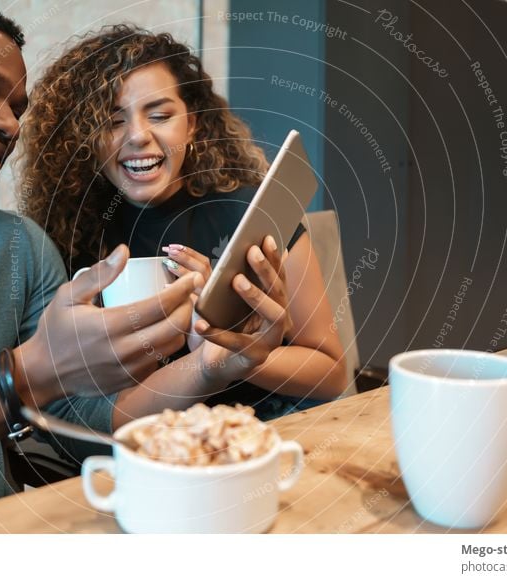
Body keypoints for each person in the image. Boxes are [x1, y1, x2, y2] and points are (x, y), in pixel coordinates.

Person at [0, 2, 287, 533]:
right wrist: (23, 376)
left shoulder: (16, 250)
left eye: (18, 106)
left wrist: (212, 366)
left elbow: (89, 421)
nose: (7, 124)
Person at [20, 25, 347, 423]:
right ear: (82, 138)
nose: (139, 136)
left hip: (263, 434)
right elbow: (87, 407)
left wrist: (234, 351)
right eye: (111, 121)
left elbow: (331, 372)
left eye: (160, 114)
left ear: (191, 123)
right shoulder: (66, 237)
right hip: (146, 449)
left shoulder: (250, 215)